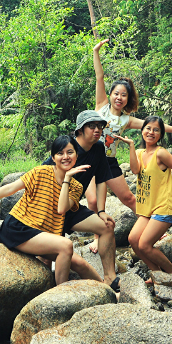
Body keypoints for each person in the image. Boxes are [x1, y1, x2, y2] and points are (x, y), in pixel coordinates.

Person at [0, 135, 115, 288]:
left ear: (77, 155)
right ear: (53, 158)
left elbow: (61, 209)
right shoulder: (40, 172)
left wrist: (67, 178)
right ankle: (62, 294)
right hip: (18, 228)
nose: (65, 157)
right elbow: (9, 188)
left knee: (81, 264)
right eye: (60, 153)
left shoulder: (75, 186)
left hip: (42, 233)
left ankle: (109, 291)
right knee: (66, 245)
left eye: (70, 152)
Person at [88, 39, 172, 252]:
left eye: (123, 95)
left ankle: (154, 225)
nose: (119, 97)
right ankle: (97, 237)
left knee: (127, 197)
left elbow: (154, 126)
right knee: (92, 201)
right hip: (90, 159)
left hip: (108, 162)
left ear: (127, 99)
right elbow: (100, 77)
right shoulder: (100, 107)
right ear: (111, 95)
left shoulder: (127, 120)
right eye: (116, 93)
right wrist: (96, 52)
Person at [115, 116, 172, 282]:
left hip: (164, 207)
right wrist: (130, 146)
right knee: (132, 240)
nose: (151, 132)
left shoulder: (161, 153)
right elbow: (135, 170)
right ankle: (155, 272)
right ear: (142, 130)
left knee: (144, 244)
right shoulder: (139, 152)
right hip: (147, 208)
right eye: (148, 128)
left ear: (161, 134)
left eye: (156, 130)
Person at [42, 110, 120, 287]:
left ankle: (110, 278)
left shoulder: (99, 148)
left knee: (107, 227)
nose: (97, 130)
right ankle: (46, 290)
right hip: (52, 211)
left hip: (73, 208)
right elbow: (41, 179)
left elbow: (101, 180)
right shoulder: (66, 151)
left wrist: (101, 211)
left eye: (99, 126)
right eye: (91, 126)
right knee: (46, 257)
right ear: (79, 131)